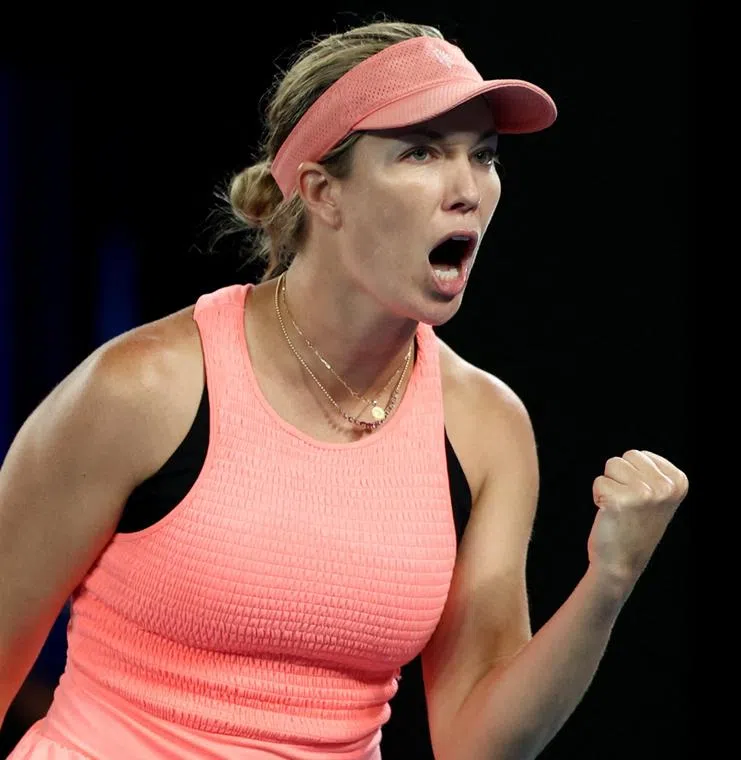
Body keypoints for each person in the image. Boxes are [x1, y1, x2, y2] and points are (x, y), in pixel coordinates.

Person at [0, 15, 688, 760]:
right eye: (421, 153)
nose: (467, 190)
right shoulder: (144, 385)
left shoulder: (485, 425)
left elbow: (479, 744)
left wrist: (608, 583)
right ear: (324, 192)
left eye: (483, 156)